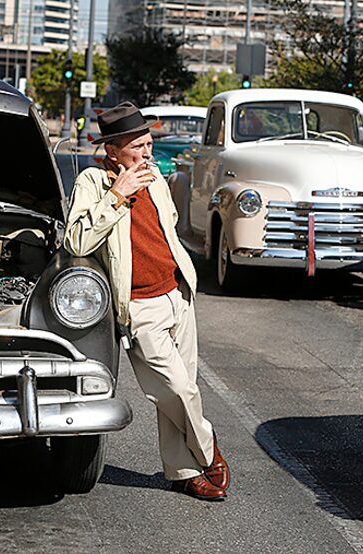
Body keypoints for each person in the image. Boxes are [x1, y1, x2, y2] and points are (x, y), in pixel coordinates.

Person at [64, 102, 230, 501]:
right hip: (139, 307)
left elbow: (168, 229)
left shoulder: (155, 177)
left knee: (182, 387)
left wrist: (183, 283)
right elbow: (76, 241)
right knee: (175, 391)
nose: (147, 152)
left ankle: (184, 472)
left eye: (148, 142)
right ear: (113, 151)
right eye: (137, 145)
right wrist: (117, 198)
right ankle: (209, 451)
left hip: (178, 293)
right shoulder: (92, 182)